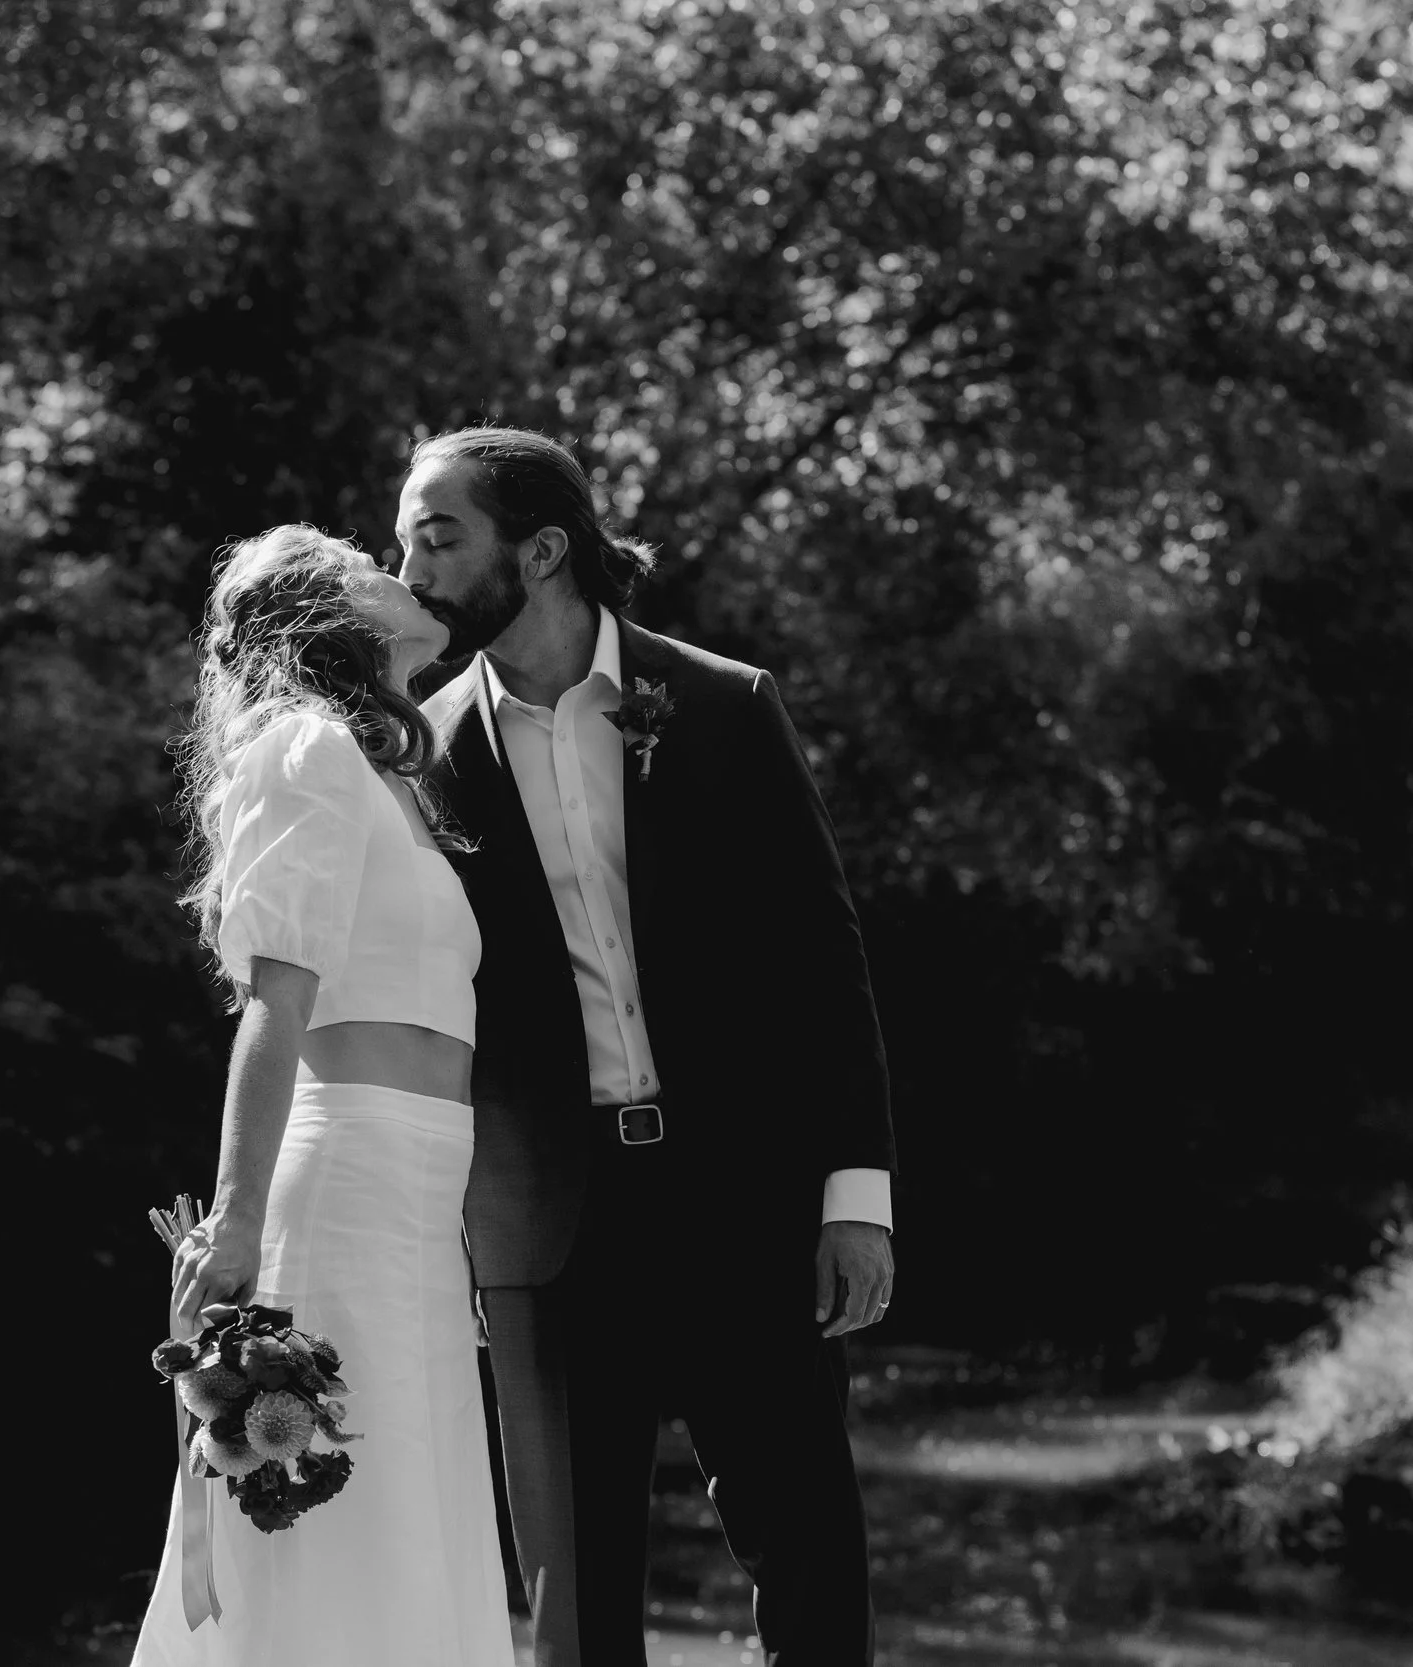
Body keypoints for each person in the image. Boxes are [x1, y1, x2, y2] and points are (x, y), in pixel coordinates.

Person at [402, 429, 899, 1667]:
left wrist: (855, 1191)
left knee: (811, 1565)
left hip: (743, 1196)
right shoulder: (416, 755)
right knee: (575, 1611)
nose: (403, 564)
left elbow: (820, 961)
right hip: (544, 1230)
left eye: (436, 533)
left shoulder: (726, 707)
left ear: (544, 548)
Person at [135, 525, 515, 1667]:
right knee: (342, 1509)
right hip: (342, 1180)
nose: (399, 570)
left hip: (416, 1194)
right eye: (366, 560)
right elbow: (275, 1005)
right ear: (326, 613)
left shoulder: (392, 771)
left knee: (416, 1499)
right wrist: (240, 1215)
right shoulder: (306, 748)